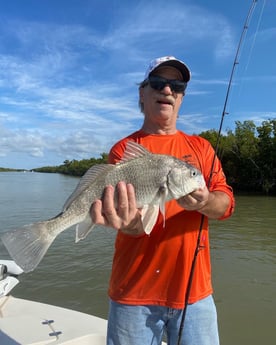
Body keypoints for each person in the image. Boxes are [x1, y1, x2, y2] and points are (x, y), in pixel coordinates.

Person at [90, 56, 235, 345]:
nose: (167, 90)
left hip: (194, 294)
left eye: (176, 85)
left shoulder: (202, 148)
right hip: (133, 293)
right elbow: (131, 226)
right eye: (158, 83)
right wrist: (128, 222)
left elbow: (226, 205)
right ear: (142, 94)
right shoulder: (125, 150)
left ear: (181, 97)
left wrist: (205, 201)